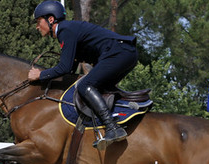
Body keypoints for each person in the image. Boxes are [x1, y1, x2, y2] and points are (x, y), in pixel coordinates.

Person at [28, 0, 138, 149]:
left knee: (85, 85)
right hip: (125, 53)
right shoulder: (68, 30)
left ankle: (112, 128)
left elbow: (64, 67)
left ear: (51, 19)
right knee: (99, 88)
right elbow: (72, 66)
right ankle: (119, 117)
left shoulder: (65, 30)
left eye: (38, 21)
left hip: (119, 52)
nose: (36, 26)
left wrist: (40, 75)